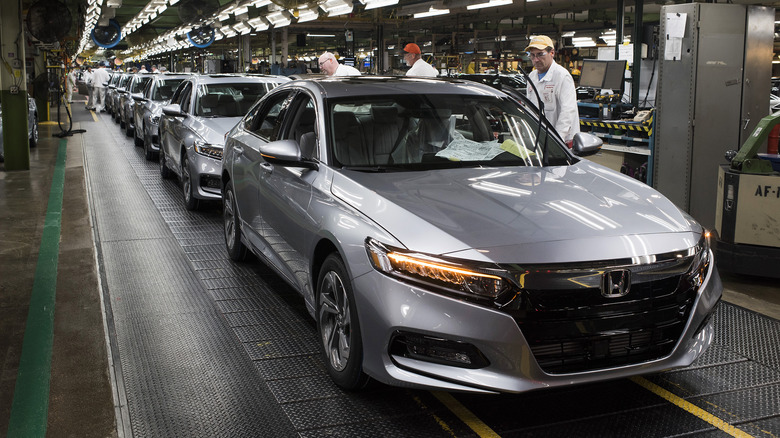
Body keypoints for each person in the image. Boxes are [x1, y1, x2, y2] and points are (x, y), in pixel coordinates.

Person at [524, 35, 580, 145]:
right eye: (532, 55)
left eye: (540, 54)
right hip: (539, 139)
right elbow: (530, 108)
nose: (536, 59)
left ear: (552, 53)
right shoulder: (532, 76)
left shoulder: (562, 76)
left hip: (561, 141)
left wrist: (556, 140)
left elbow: (567, 112)